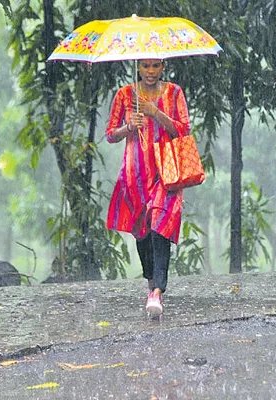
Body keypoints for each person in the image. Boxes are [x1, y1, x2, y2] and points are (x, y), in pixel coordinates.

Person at [105, 59, 191, 317]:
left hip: (166, 172)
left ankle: (157, 292)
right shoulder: (125, 95)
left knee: (160, 225)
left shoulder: (175, 92)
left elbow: (183, 130)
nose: (150, 72)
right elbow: (110, 134)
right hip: (134, 175)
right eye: (145, 66)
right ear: (139, 68)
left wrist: (156, 113)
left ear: (163, 66)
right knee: (142, 231)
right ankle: (151, 284)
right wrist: (128, 127)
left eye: (155, 66)